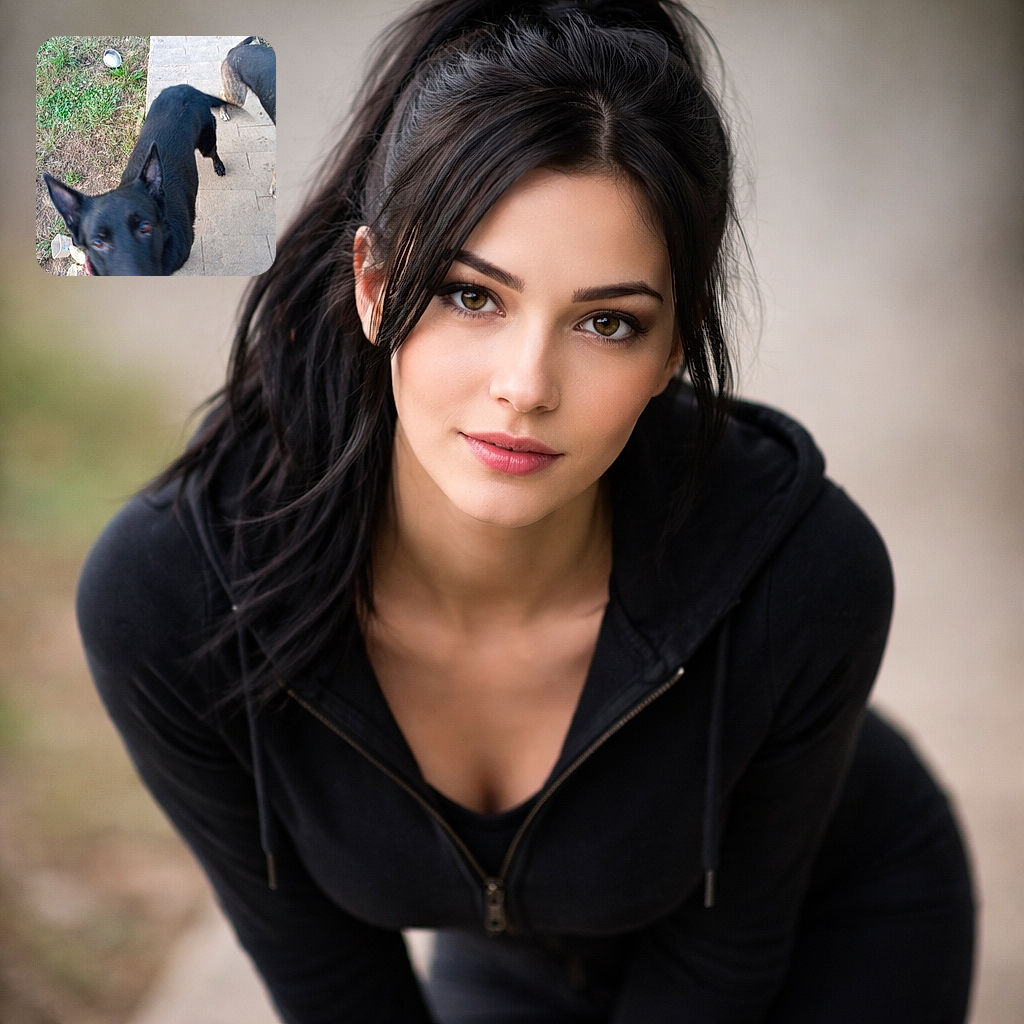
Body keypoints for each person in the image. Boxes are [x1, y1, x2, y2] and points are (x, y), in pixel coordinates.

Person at [76, 1, 976, 1021]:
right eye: (473, 295)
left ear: (674, 348)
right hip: (520, 962)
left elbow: (723, 963)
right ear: (373, 285)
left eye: (608, 322)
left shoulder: (803, 574)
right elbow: (328, 980)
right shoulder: (177, 596)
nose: (527, 386)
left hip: (834, 919)